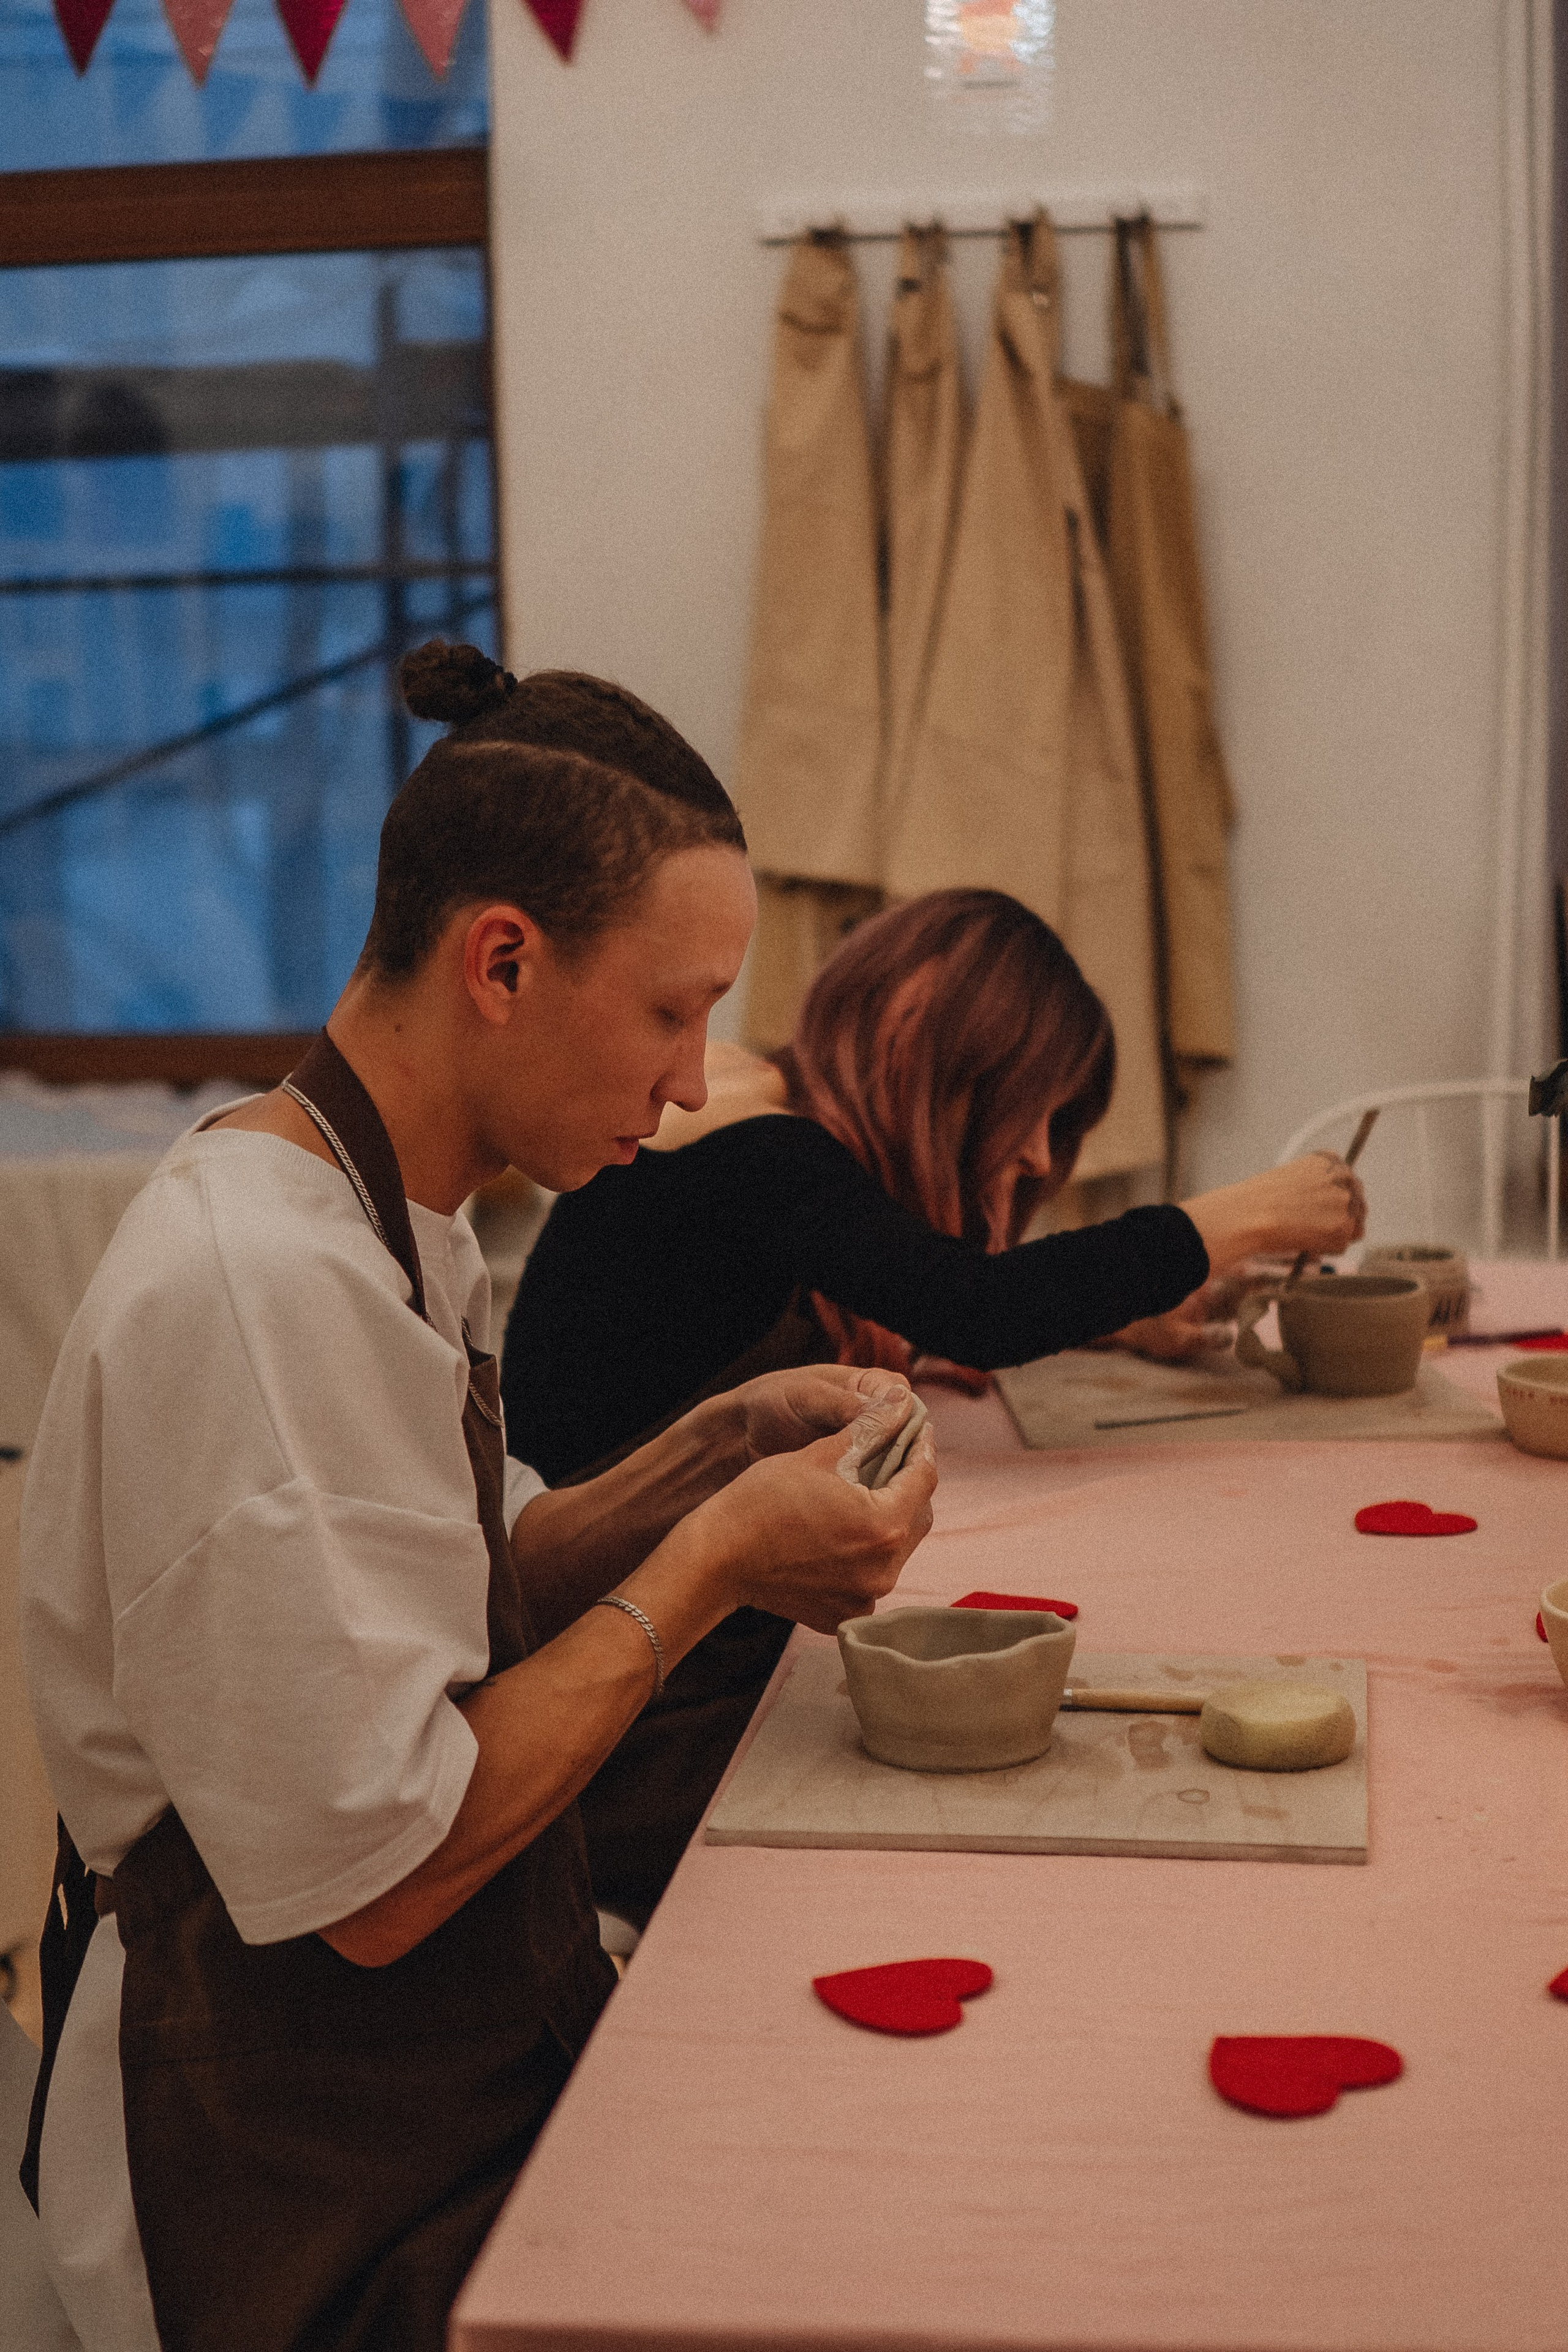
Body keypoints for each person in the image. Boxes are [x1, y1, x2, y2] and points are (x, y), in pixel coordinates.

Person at [18, 640, 936, 2352]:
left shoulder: (398, 1214)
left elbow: (473, 1555)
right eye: (674, 1011)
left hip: (402, 2054)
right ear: (501, 961)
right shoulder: (251, 1285)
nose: (688, 1083)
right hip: (270, 2138)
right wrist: (720, 1564)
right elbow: (380, 1881)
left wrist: (709, 1451)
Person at [499, 886, 1365, 1917]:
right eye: (1033, 1109)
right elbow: (980, 1307)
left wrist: (1118, 1320)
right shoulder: (766, 1151)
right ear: (948, 1062)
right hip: (622, 1714)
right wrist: (1244, 1214)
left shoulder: (766, 1128)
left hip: (626, 1638)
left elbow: (914, 1282)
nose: (1042, 1155)